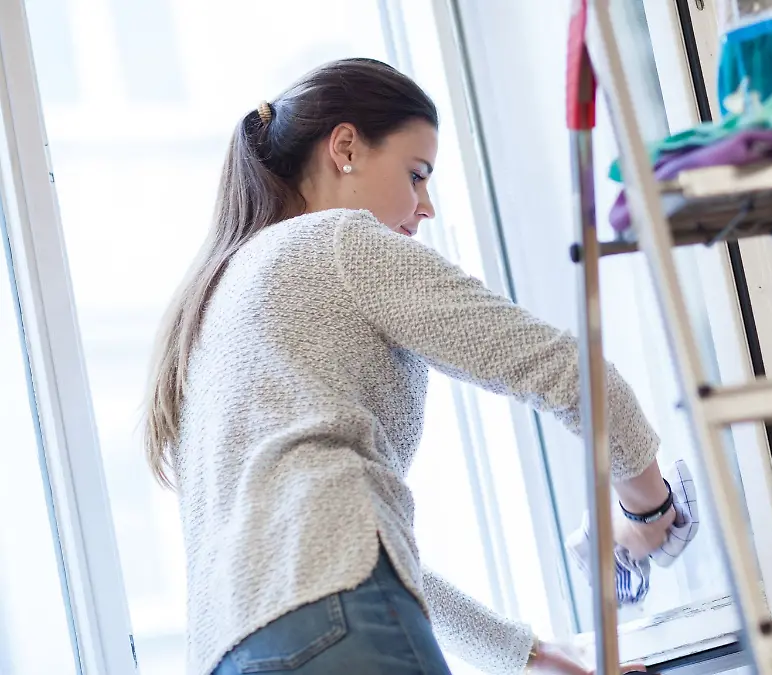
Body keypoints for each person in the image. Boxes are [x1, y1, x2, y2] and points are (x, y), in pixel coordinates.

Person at [144, 57, 675, 675]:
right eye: (416, 174)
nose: (424, 207)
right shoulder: (338, 241)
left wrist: (533, 657)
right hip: (337, 621)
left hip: (235, 653)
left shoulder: (211, 309)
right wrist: (647, 510)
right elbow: (567, 373)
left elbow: (346, 545)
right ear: (345, 147)